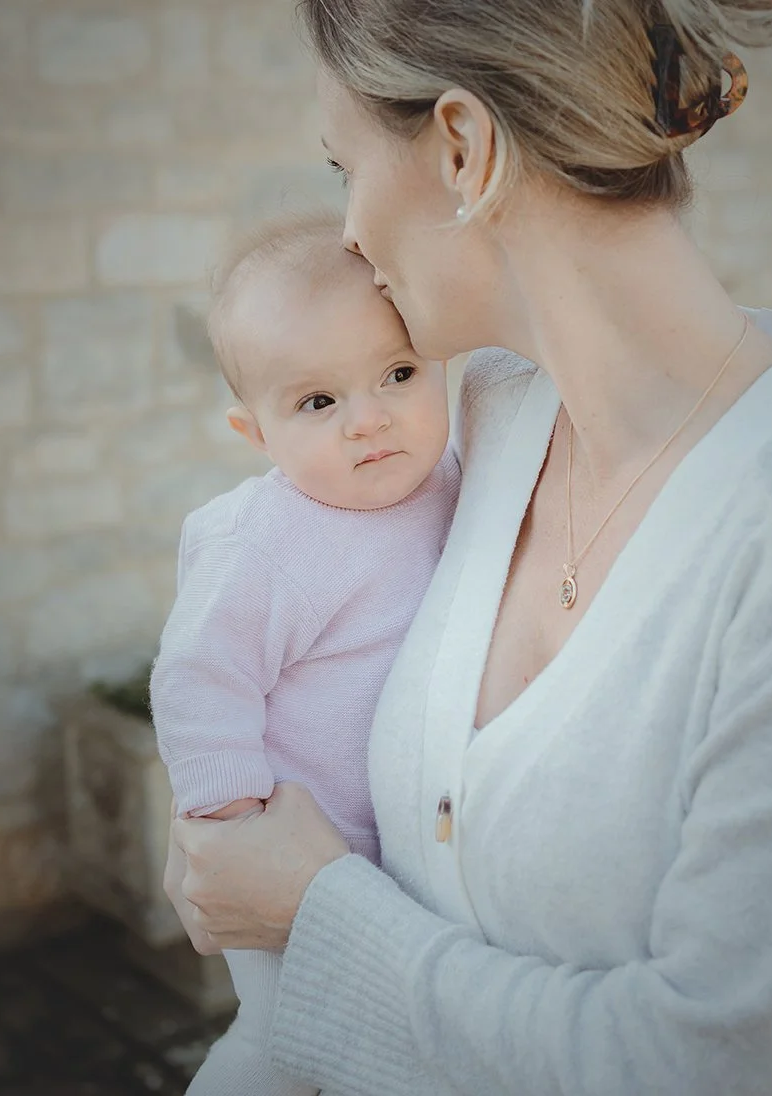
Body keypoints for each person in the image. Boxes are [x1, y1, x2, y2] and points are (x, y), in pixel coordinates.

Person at [165, 0, 772, 1093]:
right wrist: (230, 819)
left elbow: (724, 1063)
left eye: (341, 164)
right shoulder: (473, 428)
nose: (347, 232)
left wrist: (316, 916)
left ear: (461, 146)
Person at [150, 209, 459, 1095]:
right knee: (285, 1047)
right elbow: (199, 675)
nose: (369, 420)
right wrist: (226, 816)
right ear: (256, 434)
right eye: (318, 401)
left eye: (397, 374)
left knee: (389, 1050)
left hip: (400, 862)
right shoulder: (266, 541)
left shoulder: (451, 479)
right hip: (287, 851)